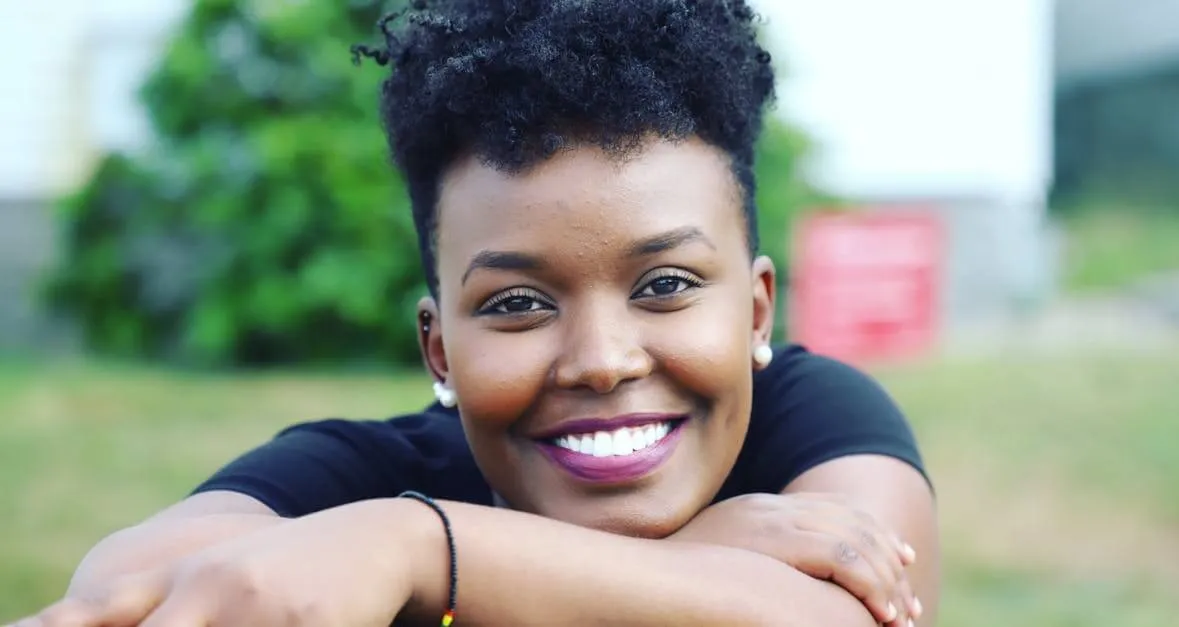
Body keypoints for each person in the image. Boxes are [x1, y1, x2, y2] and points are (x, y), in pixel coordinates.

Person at [11, 1, 939, 625]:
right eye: (519, 302)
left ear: (756, 309)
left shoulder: (816, 424)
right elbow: (122, 591)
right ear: (440, 347)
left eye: (665, 284)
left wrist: (417, 550)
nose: (603, 360)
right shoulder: (360, 470)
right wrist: (710, 573)